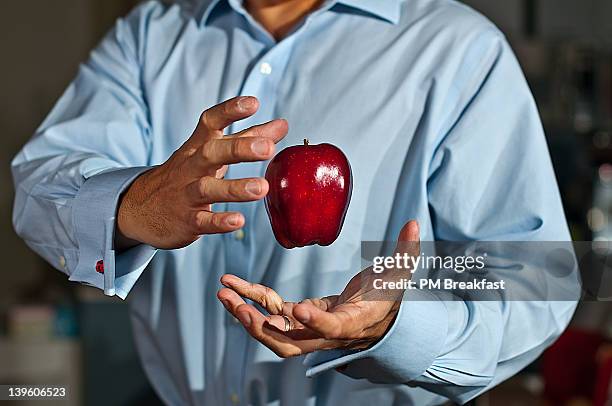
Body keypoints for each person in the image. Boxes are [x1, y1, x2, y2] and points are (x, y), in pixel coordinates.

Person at [11, 0, 578, 404]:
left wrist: (392, 328)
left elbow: (535, 277)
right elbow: (40, 184)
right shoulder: (147, 37)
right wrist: (135, 203)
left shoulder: (458, 50)